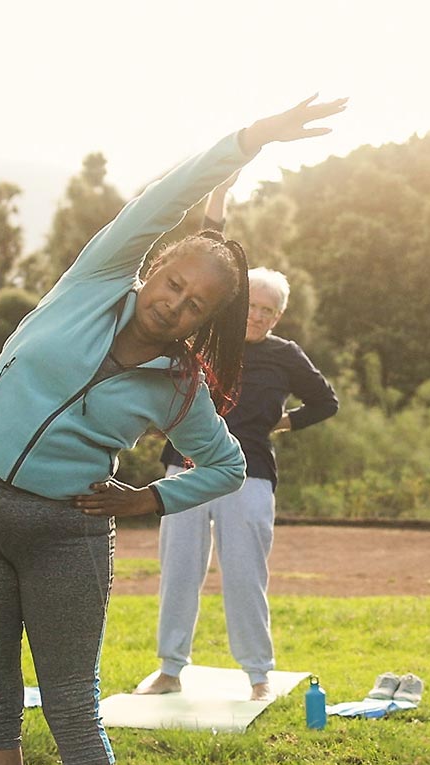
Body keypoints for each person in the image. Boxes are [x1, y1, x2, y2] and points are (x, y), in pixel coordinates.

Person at [0, 95, 348, 765]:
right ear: (153, 270)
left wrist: (149, 497)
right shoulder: (95, 278)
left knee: (74, 704)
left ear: (209, 321)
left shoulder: (180, 384)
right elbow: (165, 196)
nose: (175, 305)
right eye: (173, 284)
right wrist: (249, 141)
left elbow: (226, 464)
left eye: (196, 305)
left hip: (66, 534)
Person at [135, 175, 339, 701]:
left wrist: (284, 423)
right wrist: (220, 195)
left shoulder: (286, 356)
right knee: (179, 570)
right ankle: (170, 669)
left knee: (245, 575)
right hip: (186, 465)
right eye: (253, 305)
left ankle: (257, 675)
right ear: (240, 304)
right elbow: (212, 246)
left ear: (280, 316)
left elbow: (325, 402)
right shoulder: (212, 332)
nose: (260, 314)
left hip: (250, 475)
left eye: (271, 310)